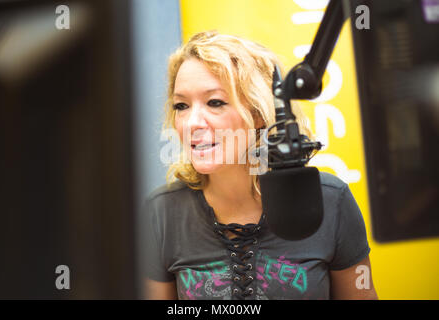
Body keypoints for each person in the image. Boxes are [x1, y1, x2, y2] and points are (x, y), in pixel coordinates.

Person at [142, 31, 378, 300]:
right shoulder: (160, 213)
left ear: (258, 113)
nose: (192, 122)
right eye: (181, 105)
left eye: (215, 102)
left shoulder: (331, 201)